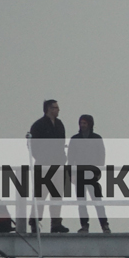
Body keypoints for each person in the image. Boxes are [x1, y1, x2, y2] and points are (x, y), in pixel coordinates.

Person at [25, 99, 69, 233]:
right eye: (55, 107)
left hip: (58, 165)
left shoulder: (60, 124)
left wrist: (63, 159)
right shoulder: (38, 125)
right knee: (40, 195)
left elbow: (62, 143)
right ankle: (34, 222)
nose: (58, 110)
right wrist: (41, 159)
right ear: (49, 109)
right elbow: (32, 146)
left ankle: (56, 223)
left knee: (57, 195)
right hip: (43, 166)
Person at [69, 114, 110, 233]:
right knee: (81, 202)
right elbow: (71, 158)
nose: (82, 125)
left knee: (97, 201)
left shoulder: (97, 138)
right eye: (81, 123)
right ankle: (84, 225)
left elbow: (101, 155)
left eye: (84, 123)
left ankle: (104, 225)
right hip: (79, 174)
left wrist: (98, 171)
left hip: (92, 174)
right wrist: (71, 174)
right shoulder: (75, 139)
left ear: (90, 124)